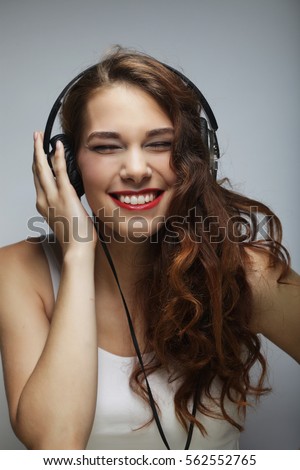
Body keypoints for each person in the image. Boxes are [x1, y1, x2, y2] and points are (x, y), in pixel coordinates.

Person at [0, 46, 299, 451]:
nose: (137, 170)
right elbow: (56, 447)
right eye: (106, 146)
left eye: (159, 143)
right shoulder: (16, 271)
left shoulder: (244, 271)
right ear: (67, 165)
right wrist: (78, 253)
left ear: (195, 159)